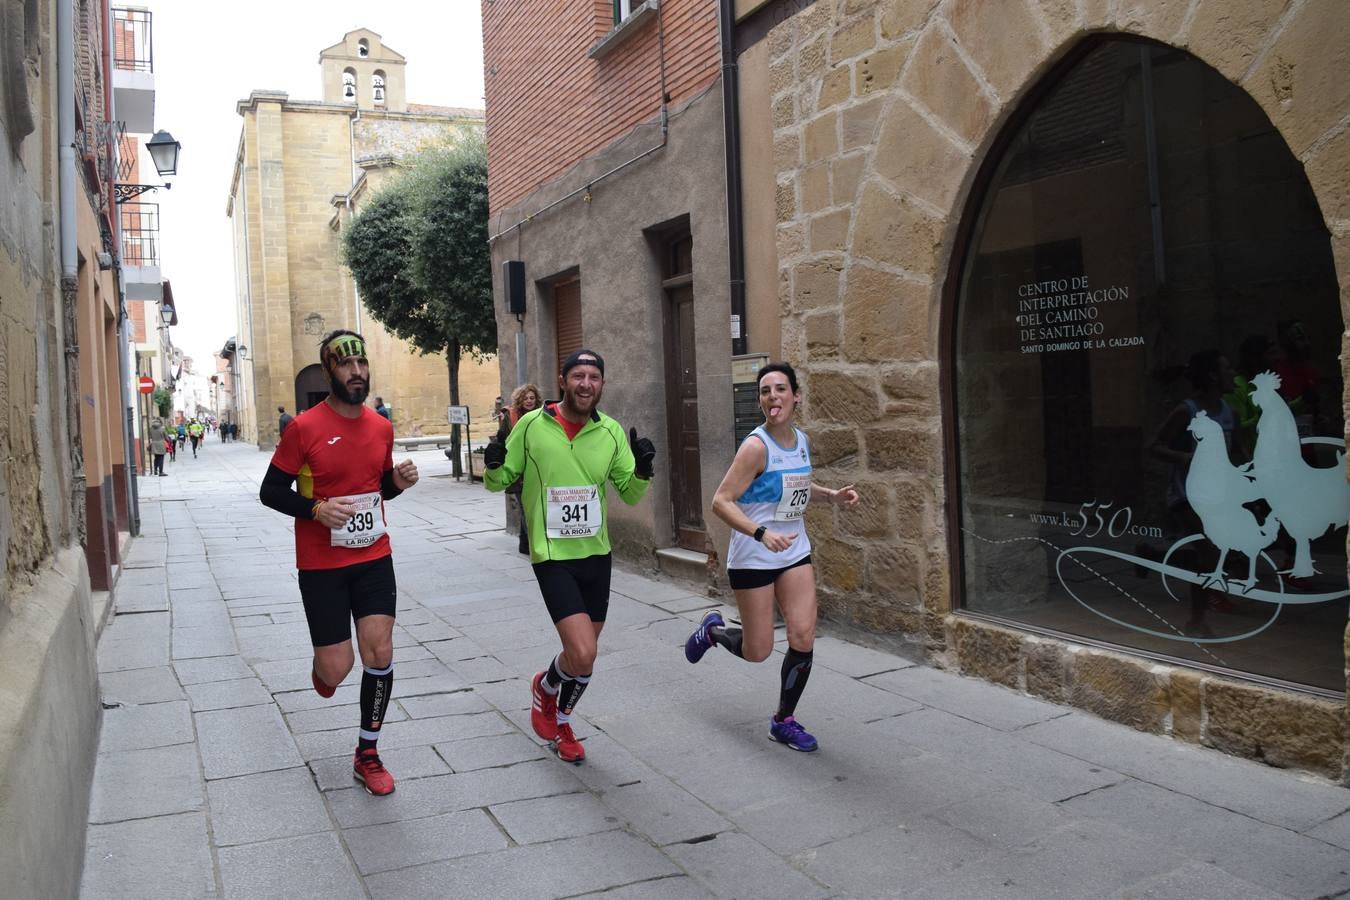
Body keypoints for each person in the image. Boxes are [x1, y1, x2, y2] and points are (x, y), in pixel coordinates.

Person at [259, 329, 419, 795]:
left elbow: (378, 487)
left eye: (361, 364)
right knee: (338, 668)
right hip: (321, 565)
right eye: (345, 365)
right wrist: (314, 509)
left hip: (373, 556)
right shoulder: (304, 428)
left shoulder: (381, 427)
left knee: (380, 652)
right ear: (330, 370)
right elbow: (270, 491)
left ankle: (367, 752)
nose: (356, 372)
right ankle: (323, 670)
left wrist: (397, 482)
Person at [483, 350, 655, 763]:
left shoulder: (611, 432)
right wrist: (492, 463)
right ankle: (548, 698)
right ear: (562, 381)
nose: (585, 384)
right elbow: (500, 480)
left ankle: (557, 711)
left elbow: (629, 493)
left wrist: (645, 471)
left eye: (594, 377)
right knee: (582, 653)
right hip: (552, 555)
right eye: (577, 376)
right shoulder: (530, 425)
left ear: (601, 385)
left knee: (584, 658)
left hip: (596, 554)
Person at [684, 362, 859, 753]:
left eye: (780, 389)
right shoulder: (755, 446)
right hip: (754, 555)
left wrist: (829, 496)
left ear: (796, 396)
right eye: (765, 391)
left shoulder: (801, 441)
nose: (772, 397)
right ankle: (712, 631)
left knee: (802, 634)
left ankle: (784, 721)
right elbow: (721, 501)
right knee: (757, 650)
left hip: (794, 549)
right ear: (761, 401)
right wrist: (761, 533)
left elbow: (794, 483)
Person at [495, 382, 542, 555]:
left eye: (532, 397)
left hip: (537, 468)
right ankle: (531, 545)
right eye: (525, 398)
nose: (529, 401)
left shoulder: (542, 415)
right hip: (518, 469)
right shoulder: (511, 416)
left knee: (532, 507)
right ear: (519, 399)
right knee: (525, 507)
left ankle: (525, 544)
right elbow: (502, 439)